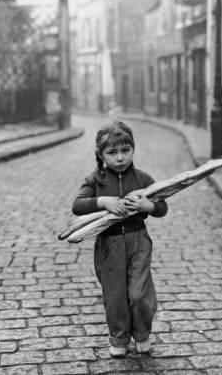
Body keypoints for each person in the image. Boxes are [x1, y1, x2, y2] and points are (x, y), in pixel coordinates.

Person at [72, 120, 168, 358]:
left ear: (133, 149)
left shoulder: (143, 179)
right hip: (110, 246)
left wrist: (148, 205)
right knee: (115, 295)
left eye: (125, 150)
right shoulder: (96, 181)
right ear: (100, 154)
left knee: (139, 293)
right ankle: (119, 337)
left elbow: (162, 207)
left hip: (139, 242)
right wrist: (103, 201)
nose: (120, 158)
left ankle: (142, 334)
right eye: (112, 152)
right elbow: (77, 205)